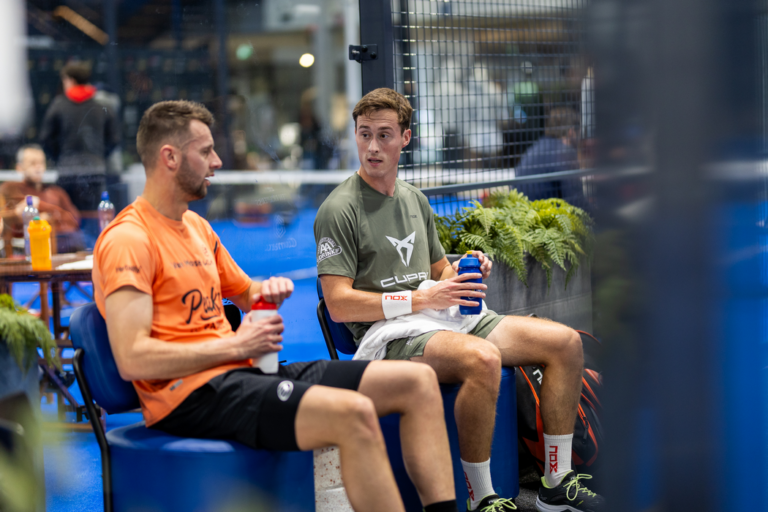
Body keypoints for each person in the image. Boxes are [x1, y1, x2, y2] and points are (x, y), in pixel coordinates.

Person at [92, 100, 460, 512]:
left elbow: (247, 292)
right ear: (170, 157)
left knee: (417, 382)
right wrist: (236, 345)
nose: (217, 162)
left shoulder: (195, 227)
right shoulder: (129, 240)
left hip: (240, 374)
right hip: (190, 396)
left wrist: (269, 289)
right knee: (354, 414)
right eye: (206, 151)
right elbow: (133, 359)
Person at [315, 88, 604, 512]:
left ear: (405, 138)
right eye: (364, 134)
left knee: (565, 343)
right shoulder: (338, 209)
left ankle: (556, 482)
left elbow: (439, 272)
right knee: (482, 359)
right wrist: (421, 298)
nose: (372, 146)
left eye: (384, 135)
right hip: (388, 335)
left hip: (437, 317)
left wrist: (466, 270)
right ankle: (481, 496)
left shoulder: (414, 199)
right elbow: (339, 304)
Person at [40, 61, 119, 215]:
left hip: (67, 174)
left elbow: (46, 139)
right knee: (94, 217)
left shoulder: (58, 106)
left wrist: (60, 157)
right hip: (95, 173)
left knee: (67, 218)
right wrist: (98, 156)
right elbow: (114, 140)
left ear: (70, 80)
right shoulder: (102, 106)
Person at [0, 144, 83, 253]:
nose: (38, 167)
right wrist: (16, 213)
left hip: (63, 244)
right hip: (27, 248)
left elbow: (75, 220)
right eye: (32, 163)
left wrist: (45, 212)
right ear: (19, 168)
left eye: (41, 163)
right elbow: (4, 219)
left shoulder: (57, 192)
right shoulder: (10, 189)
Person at [515, 108, 584, 206]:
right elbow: (577, 203)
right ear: (571, 132)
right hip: (547, 213)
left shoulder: (536, 147)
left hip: (526, 211)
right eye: (579, 133)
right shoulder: (565, 153)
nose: (579, 139)